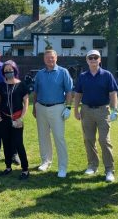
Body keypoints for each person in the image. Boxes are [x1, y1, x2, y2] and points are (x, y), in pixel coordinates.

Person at [74, 49, 118, 182]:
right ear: (87, 60)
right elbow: (78, 94)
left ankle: (109, 169)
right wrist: (75, 110)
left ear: (100, 60)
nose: (93, 59)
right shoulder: (82, 76)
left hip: (103, 111)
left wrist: (115, 109)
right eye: (90, 57)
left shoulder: (107, 75)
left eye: (96, 57)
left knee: (104, 141)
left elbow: (113, 93)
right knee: (88, 139)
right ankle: (92, 165)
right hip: (86, 111)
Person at [33, 49, 73, 178]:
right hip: (41, 107)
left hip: (57, 108)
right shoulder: (40, 74)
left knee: (59, 138)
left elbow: (69, 92)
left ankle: (62, 167)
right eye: (47, 58)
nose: (50, 60)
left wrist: (68, 107)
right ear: (44, 59)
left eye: (52, 57)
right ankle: (45, 162)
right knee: (43, 136)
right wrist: (34, 107)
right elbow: (36, 92)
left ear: (56, 58)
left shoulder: (63, 72)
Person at [0, 60, 29, 180]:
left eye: (10, 70)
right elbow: (0, 101)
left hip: (17, 119)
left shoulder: (21, 85)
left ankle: (25, 169)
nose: (8, 72)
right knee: (6, 143)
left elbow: (26, 102)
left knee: (18, 143)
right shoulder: (1, 85)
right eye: (6, 71)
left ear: (15, 70)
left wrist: (21, 118)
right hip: (5, 119)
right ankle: (8, 167)